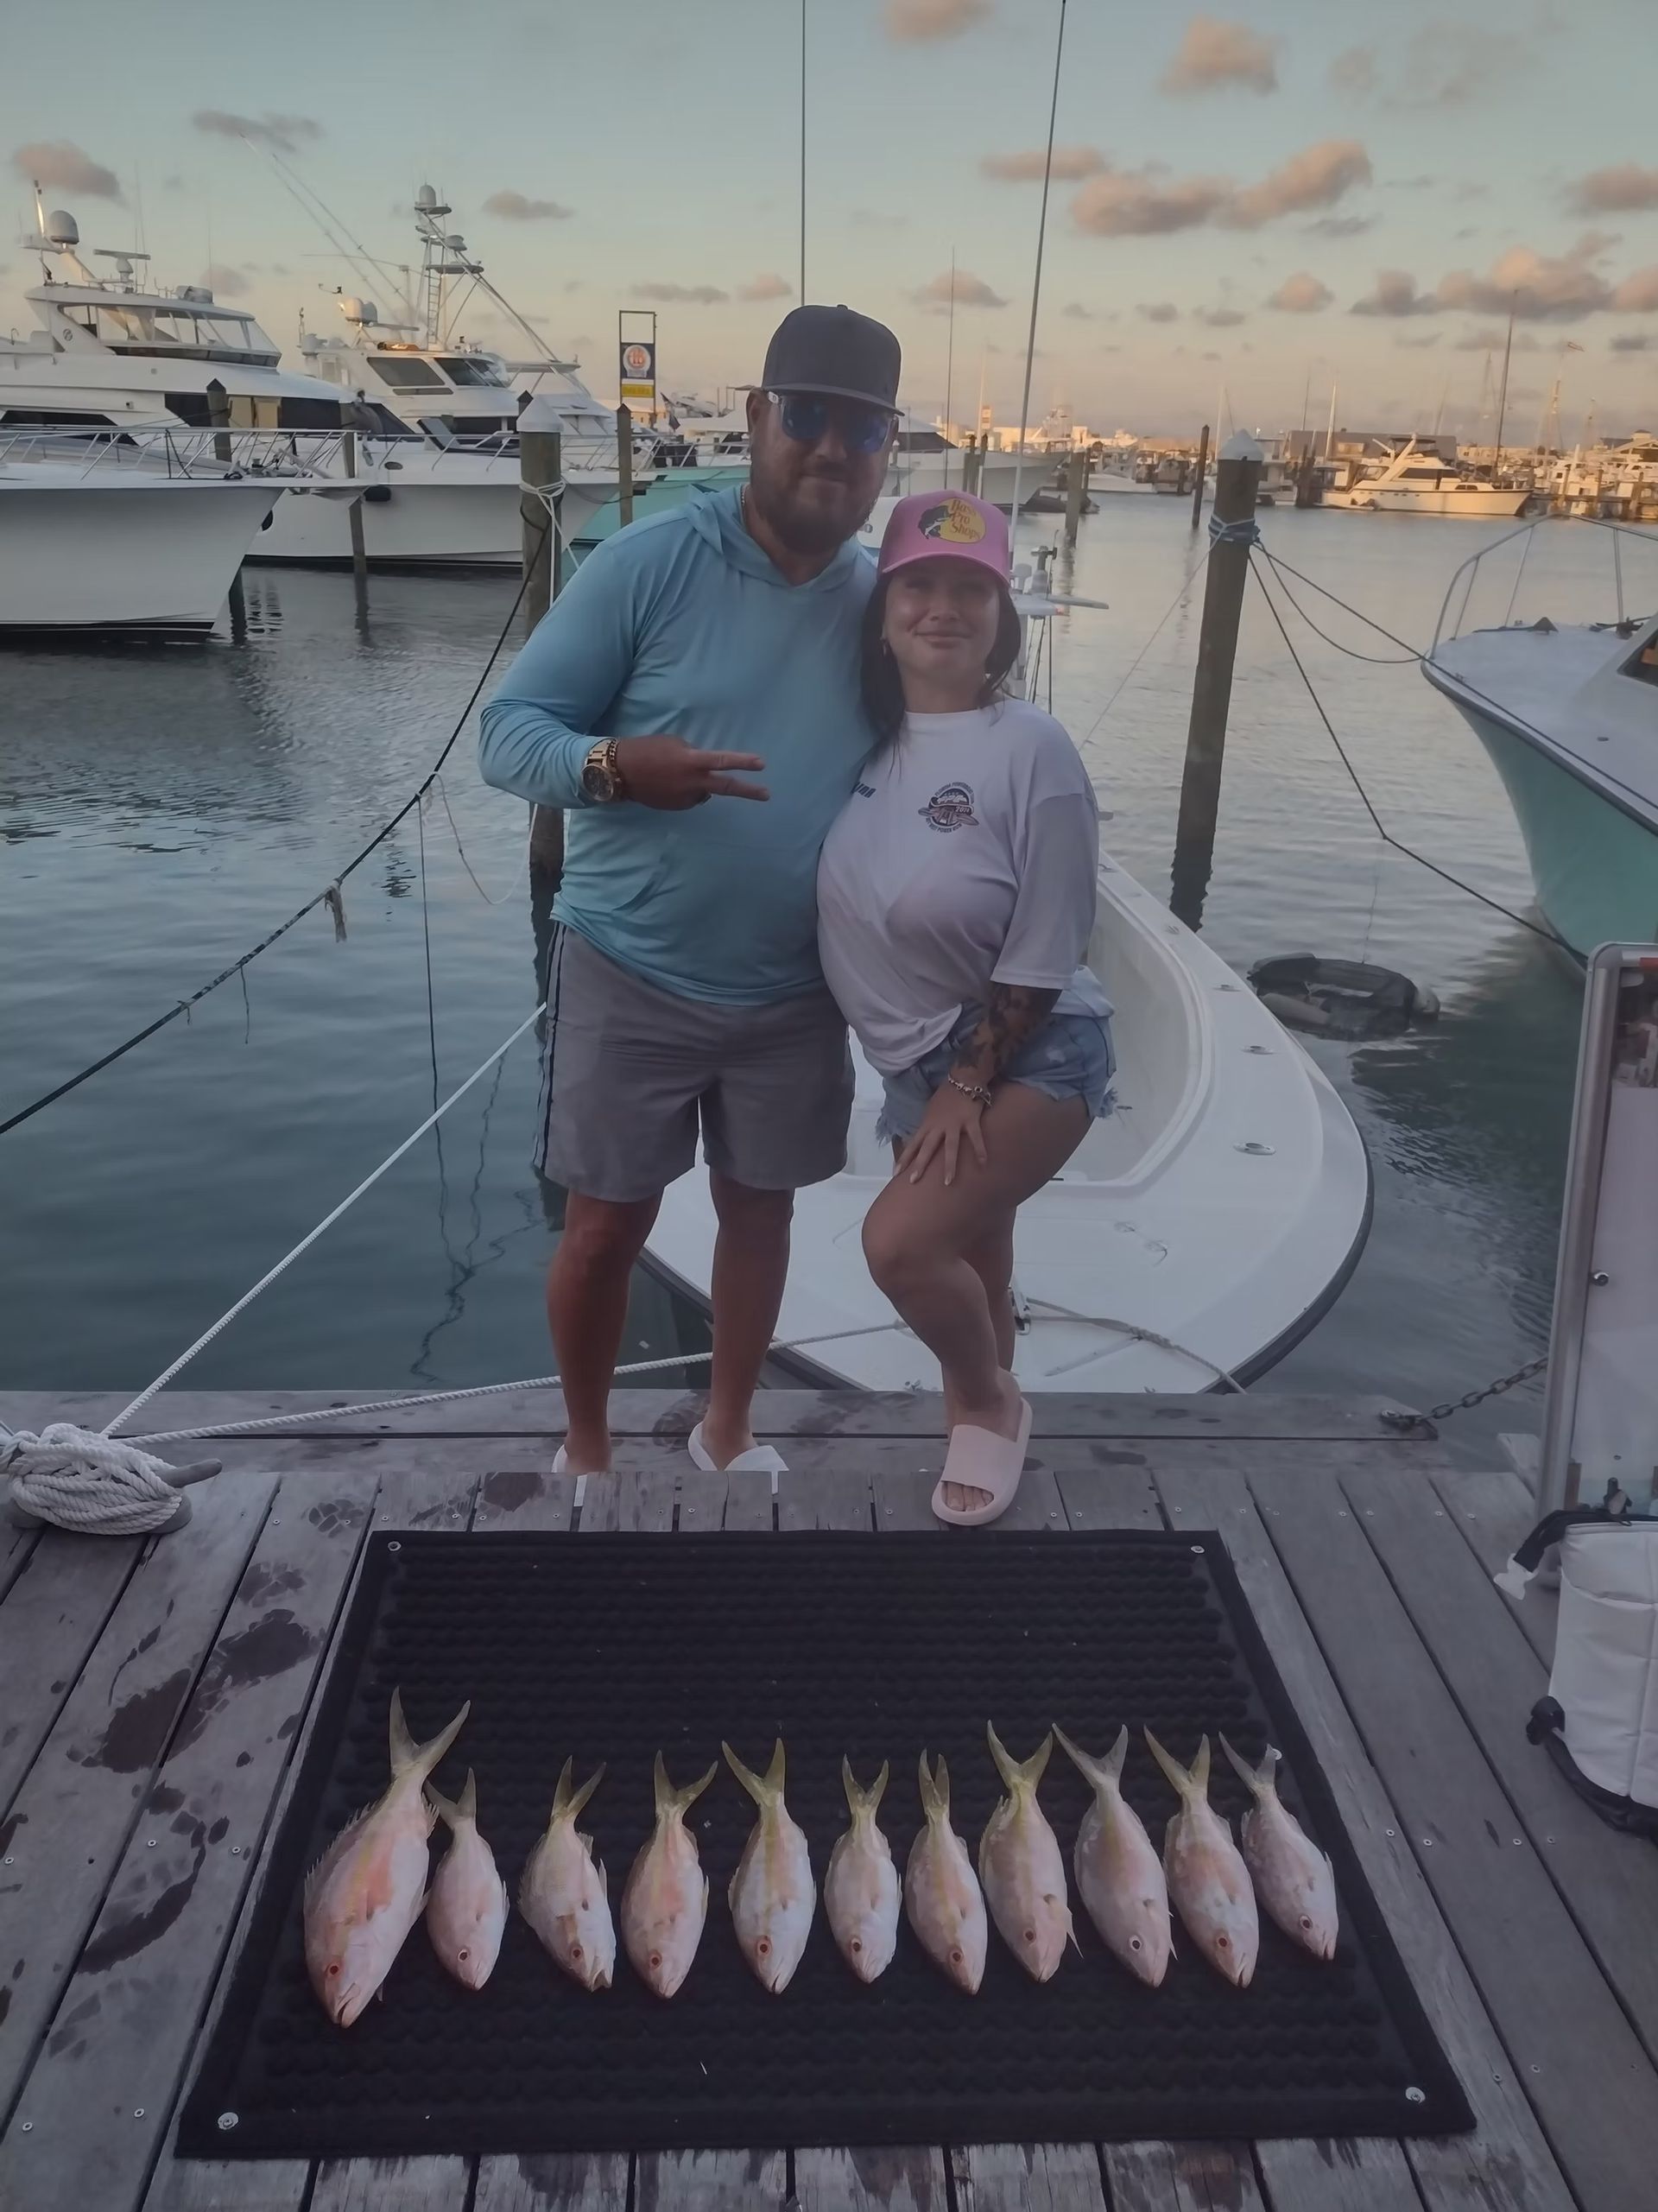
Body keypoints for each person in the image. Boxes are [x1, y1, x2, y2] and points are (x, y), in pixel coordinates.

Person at [478, 306, 900, 1478]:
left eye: (861, 430)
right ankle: (588, 1449)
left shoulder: (883, 603)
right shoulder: (650, 562)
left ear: (888, 452)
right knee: (606, 1224)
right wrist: (615, 766)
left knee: (761, 1215)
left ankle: (728, 1433)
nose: (830, 449)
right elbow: (507, 736)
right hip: (632, 966)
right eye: (807, 416)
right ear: (759, 419)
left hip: (797, 985)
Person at [816, 491, 1115, 1527]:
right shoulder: (863, 745)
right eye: (919, 586)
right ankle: (977, 1428)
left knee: (900, 1247)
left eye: (970, 589)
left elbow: (1048, 941)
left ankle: (991, 1398)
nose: (942, 608)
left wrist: (970, 1078)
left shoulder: (1032, 748)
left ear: (1002, 616)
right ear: (885, 610)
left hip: (1027, 1053)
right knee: (978, 1264)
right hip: (909, 1060)